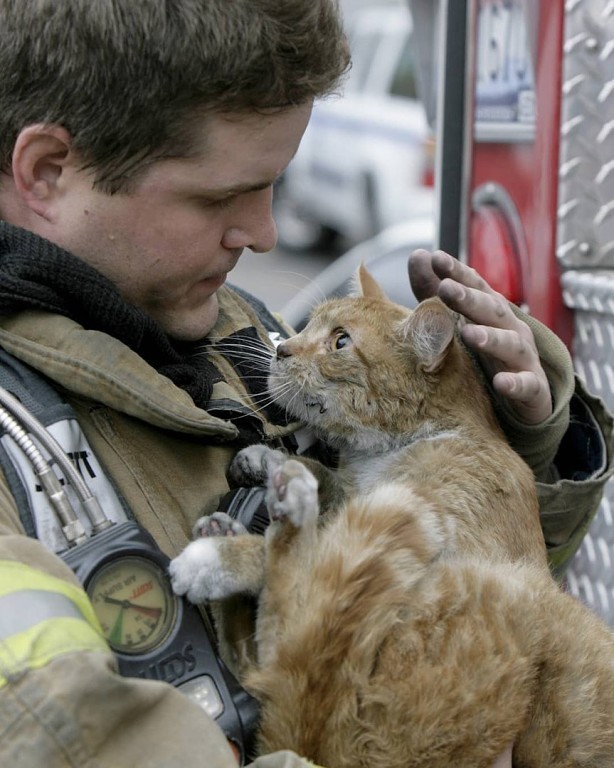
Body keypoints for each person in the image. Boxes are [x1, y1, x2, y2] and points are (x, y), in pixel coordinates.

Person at [0, 2, 610, 767]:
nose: (264, 234)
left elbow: (438, 611)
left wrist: (507, 445)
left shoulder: (233, 333)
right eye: (220, 196)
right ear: (48, 171)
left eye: (273, 188)